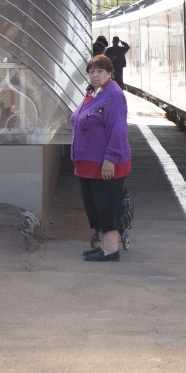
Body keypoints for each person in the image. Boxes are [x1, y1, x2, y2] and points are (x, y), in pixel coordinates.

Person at [71, 55, 131, 261]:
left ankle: (111, 249)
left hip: (105, 164)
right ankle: (104, 245)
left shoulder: (114, 95)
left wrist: (111, 158)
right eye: (92, 72)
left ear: (109, 73)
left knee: (107, 204)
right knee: (95, 205)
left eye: (100, 72)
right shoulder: (93, 93)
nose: (95, 75)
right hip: (88, 164)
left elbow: (118, 129)